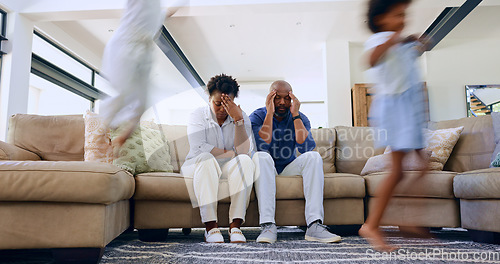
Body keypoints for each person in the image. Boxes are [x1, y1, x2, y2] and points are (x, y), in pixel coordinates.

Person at [358, 0, 430, 252]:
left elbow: (410, 76)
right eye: (397, 14)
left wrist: (409, 41)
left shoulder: (399, 42)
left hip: (410, 109)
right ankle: (372, 225)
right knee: (397, 171)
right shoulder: (379, 40)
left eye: (404, 14)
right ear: (380, 20)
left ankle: (407, 220)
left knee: (423, 167)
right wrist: (396, 39)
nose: (402, 19)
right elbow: (372, 59)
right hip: (395, 108)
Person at [250, 80, 341, 244]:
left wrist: (296, 115)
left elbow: (305, 146)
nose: (282, 102)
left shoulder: (299, 117)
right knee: (261, 156)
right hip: (266, 168)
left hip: (287, 170)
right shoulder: (257, 116)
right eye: (277, 98)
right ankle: (268, 226)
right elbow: (262, 145)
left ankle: (314, 225)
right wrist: (269, 113)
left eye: (287, 98)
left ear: (292, 99)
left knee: (313, 157)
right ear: (270, 97)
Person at [181, 74, 255, 243]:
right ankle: (210, 228)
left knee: (245, 162)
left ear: (234, 100)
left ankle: (235, 226)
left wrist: (238, 120)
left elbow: (243, 153)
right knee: (206, 158)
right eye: (217, 103)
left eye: (227, 104)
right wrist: (231, 154)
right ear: (209, 99)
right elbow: (199, 148)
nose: (222, 109)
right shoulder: (197, 115)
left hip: (228, 167)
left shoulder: (241, 116)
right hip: (198, 165)